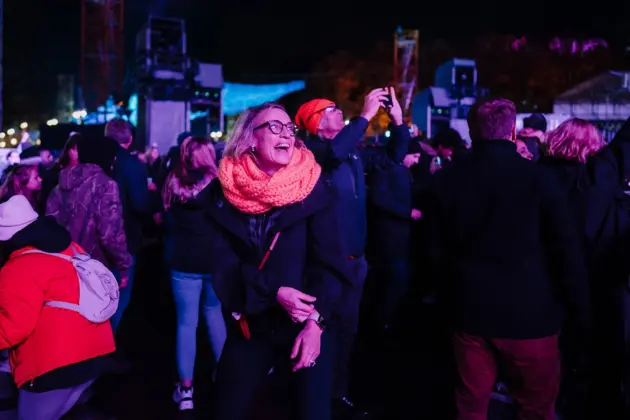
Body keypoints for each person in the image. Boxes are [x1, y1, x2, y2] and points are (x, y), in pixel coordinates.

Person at [425, 99, 590, 420]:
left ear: (472, 131)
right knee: (536, 407)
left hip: (469, 310)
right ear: (512, 130)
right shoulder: (540, 179)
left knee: (470, 405)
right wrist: (579, 309)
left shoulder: (447, 180)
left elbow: (434, 249)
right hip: (532, 313)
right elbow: (564, 249)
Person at [208, 103, 351, 420]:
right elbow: (222, 267)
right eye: (275, 127)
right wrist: (273, 292)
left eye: (289, 128)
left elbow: (331, 267)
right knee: (225, 409)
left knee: (312, 412)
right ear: (250, 139)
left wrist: (317, 322)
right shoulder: (223, 192)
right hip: (251, 326)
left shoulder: (314, 188)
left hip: (307, 326)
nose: (286, 133)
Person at [296, 88, 409, 417]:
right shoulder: (315, 152)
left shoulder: (352, 153)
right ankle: (316, 400)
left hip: (356, 260)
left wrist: (397, 121)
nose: (337, 111)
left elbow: (392, 157)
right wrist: (364, 115)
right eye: (330, 108)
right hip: (327, 264)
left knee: (348, 330)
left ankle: (337, 393)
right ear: (316, 122)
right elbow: (333, 153)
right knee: (324, 332)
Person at [0, 195, 115, 419]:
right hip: (96, 349)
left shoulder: (20, 266)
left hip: (58, 365)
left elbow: (15, 326)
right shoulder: (69, 246)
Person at [162, 136, 226, 411]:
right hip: (213, 260)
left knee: (186, 324)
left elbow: (164, 217)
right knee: (214, 316)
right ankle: (225, 379)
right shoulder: (221, 184)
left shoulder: (171, 183)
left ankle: (185, 391)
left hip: (183, 261)